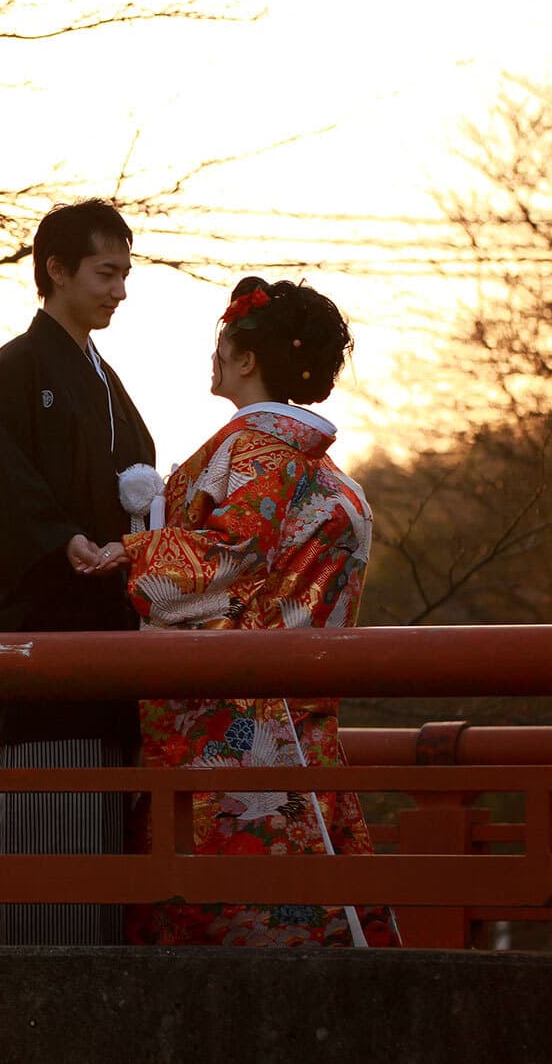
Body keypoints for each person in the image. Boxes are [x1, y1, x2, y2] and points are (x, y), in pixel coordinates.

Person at [112, 276, 401, 947]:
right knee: (322, 911)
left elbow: (227, 560)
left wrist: (128, 552)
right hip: (306, 722)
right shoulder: (332, 479)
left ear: (245, 358)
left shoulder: (253, 451)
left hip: (235, 723)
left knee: (221, 931)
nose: (214, 355)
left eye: (224, 342)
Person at [0, 198, 155, 945]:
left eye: (125, 274)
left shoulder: (100, 375)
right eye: (107, 272)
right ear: (56, 269)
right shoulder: (17, 369)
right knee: (45, 871)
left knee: (97, 873)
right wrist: (61, 538)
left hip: (112, 647)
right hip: (48, 644)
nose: (119, 290)